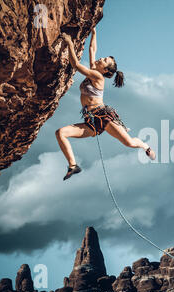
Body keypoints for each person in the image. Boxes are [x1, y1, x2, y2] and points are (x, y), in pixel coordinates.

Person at [56, 28, 156, 181]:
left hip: (103, 116)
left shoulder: (97, 76)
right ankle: (73, 166)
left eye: (104, 61)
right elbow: (92, 49)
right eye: (103, 58)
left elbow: (75, 64)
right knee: (61, 132)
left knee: (128, 142)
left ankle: (145, 146)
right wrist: (94, 32)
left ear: (104, 70)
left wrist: (69, 42)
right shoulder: (94, 70)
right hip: (90, 120)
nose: (100, 58)